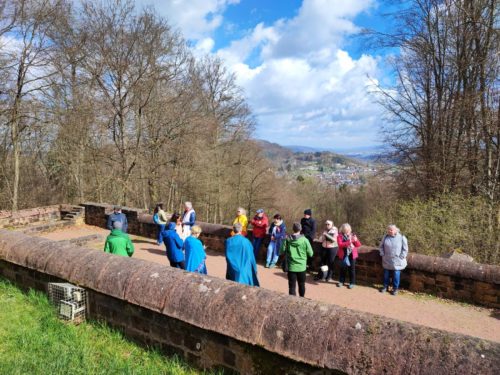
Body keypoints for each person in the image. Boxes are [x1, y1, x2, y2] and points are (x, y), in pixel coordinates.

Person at [280, 222, 313, 297]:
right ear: (300, 229)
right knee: (301, 284)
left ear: (293, 229)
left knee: (292, 286)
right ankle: (302, 299)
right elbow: (311, 254)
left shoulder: (287, 239)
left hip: (291, 267)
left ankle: (293, 302)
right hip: (302, 267)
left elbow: (281, 251)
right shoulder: (305, 240)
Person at [379, 224, 409, 296]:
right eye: (388, 229)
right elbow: (381, 246)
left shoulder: (402, 237)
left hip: (397, 260)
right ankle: (385, 287)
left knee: (396, 274)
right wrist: (382, 253)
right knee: (386, 274)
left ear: (395, 230)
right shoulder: (385, 237)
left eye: (391, 230)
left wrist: (401, 257)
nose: (389, 231)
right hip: (387, 259)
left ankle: (395, 289)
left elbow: (405, 249)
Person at [336, 223, 361, 289]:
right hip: (343, 254)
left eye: (348, 230)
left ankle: (352, 283)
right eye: (346, 230)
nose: (347, 232)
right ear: (343, 230)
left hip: (352, 255)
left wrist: (355, 240)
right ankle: (341, 281)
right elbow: (340, 245)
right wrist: (349, 242)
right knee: (343, 269)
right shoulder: (339, 236)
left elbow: (358, 245)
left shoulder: (353, 235)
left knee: (352, 269)